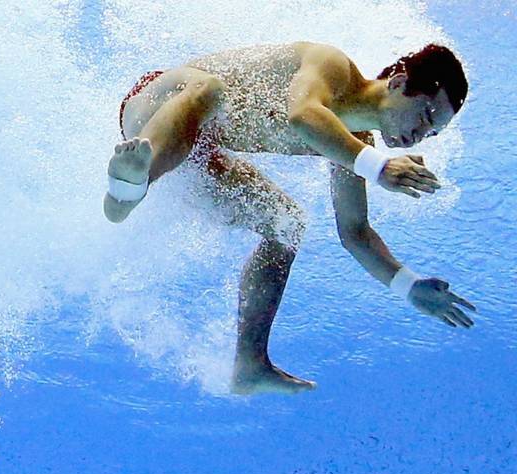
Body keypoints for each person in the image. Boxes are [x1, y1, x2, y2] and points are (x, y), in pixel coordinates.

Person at [104, 42, 477, 395]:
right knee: (211, 88)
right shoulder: (333, 68)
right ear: (399, 83)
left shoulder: (353, 144)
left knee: (286, 224)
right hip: (160, 105)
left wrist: (409, 288)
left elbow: (355, 233)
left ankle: (250, 365)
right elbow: (302, 115)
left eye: (433, 130)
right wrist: (377, 167)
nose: (421, 134)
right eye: (426, 114)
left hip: (197, 151)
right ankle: (130, 184)